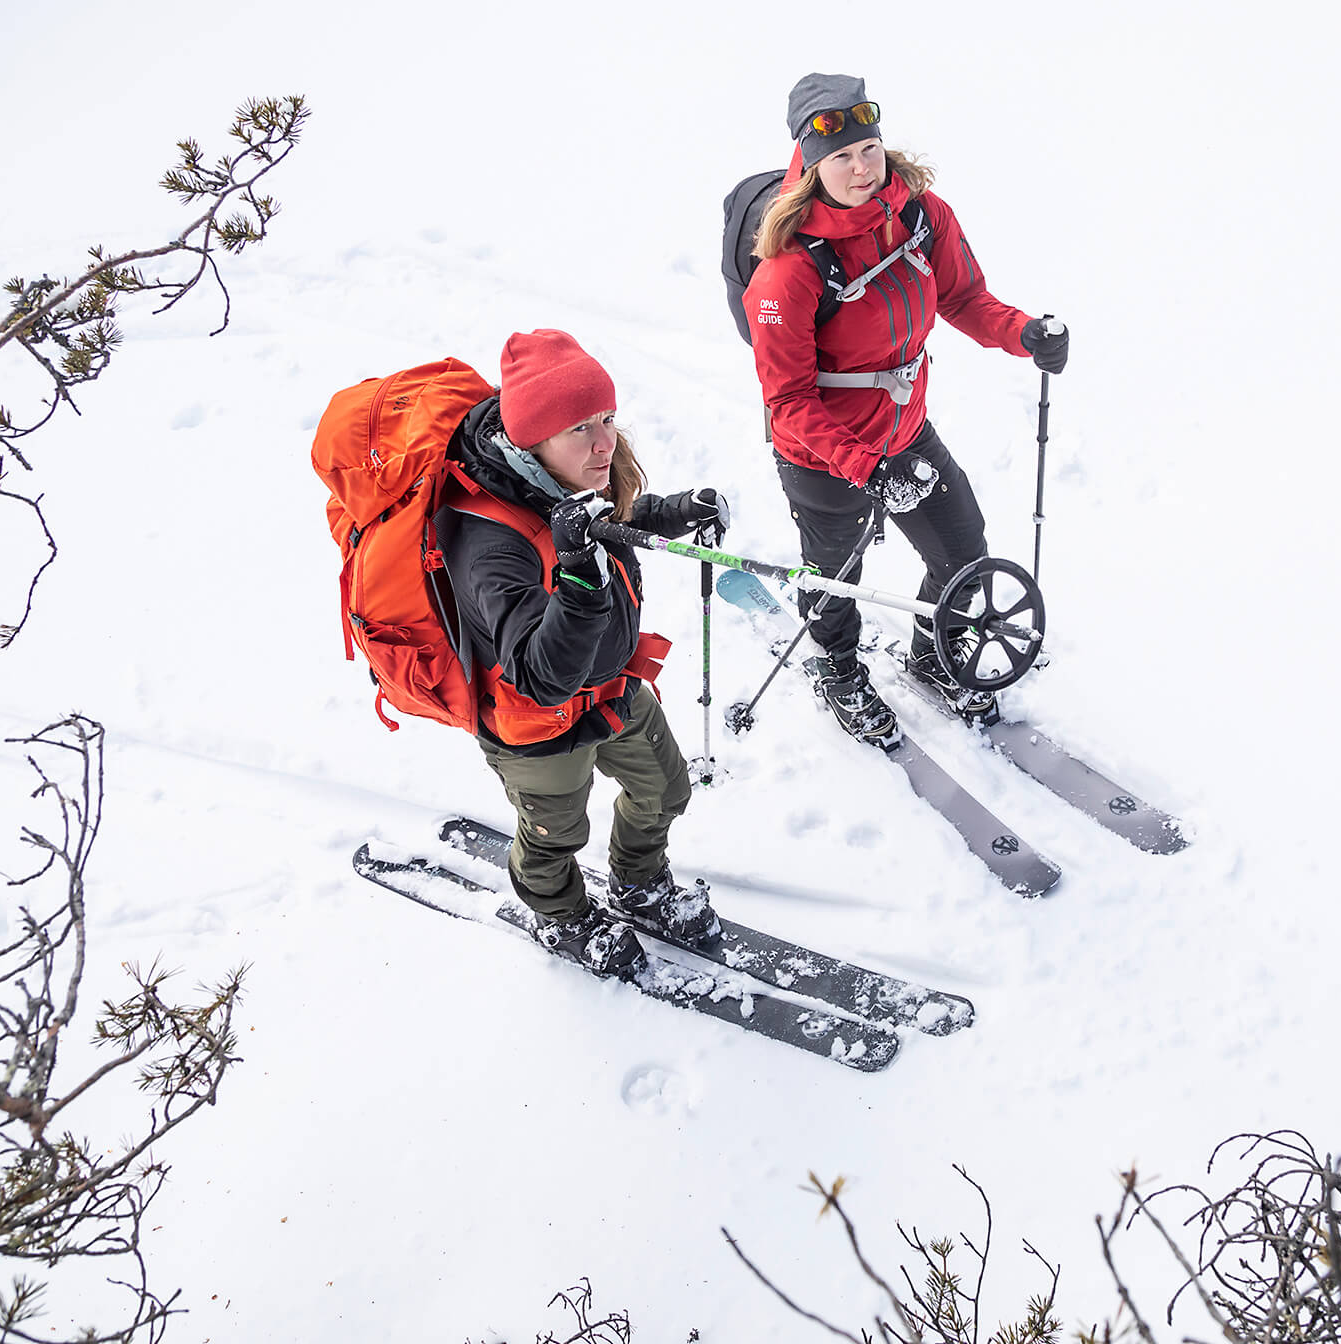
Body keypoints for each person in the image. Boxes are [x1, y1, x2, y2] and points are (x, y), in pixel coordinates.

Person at [742, 72, 1069, 746]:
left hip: (906, 430)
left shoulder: (922, 216)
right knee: (835, 575)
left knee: (962, 547)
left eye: (869, 149)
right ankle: (837, 669)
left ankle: (934, 654)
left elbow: (965, 298)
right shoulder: (789, 272)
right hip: (824, 458)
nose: (862, 168)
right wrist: (867, 467)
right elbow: (789, 403)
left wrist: (1022, 333)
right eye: (841, 157)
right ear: (810, 162)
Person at [442, 329, 730, 971]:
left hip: (613, 686)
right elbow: (542, 676)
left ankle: (637, 884)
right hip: (537, 724)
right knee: (555, 836)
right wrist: (576, 573)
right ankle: (562, 917)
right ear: (532, 441)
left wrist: (668, 511)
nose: (605, 443)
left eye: (606, 419)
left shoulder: (565, 480)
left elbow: (605, 518)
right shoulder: (488, 542)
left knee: (664, 790)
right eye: (581, 428)